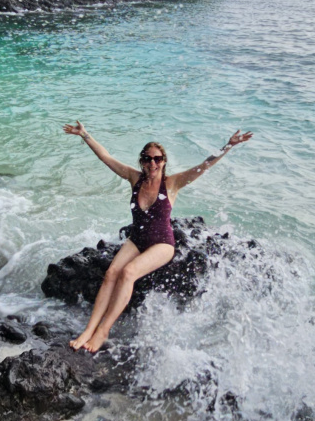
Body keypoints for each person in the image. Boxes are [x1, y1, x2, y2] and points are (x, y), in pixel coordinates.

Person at [62, 122, 253, 352]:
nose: (152, 163)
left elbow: (204, 166)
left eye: (157, 158)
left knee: (128, 273)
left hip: (162, 244)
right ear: (141, 161)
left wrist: (228, 146)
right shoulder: (135, 178)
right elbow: (106, 158)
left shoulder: (172, 183)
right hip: (136, 239)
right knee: (111, 273)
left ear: (163, 161)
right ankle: (88, 330)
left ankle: (103, 331)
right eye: (147, 158)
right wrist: (84, 134)